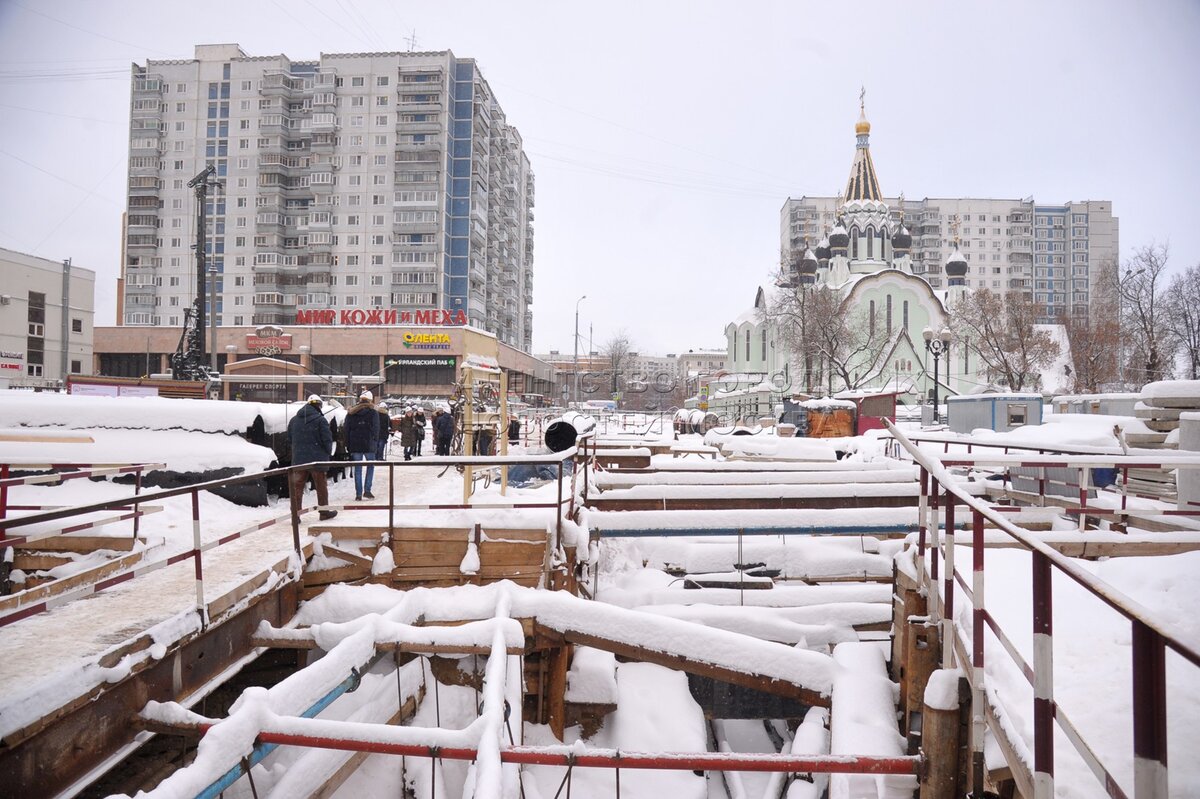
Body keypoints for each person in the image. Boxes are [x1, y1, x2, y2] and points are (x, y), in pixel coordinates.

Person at [287, 394, 337, 523]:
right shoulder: (321, 420)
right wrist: (327, 452)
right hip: (317, 459)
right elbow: (327, 439)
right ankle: (324, 512)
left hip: (299, 459)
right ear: (319, 405)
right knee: (321, 486)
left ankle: (295, 515)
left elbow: (290, 439)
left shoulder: (294, 420)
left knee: (297, 487)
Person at [344, 390, 380, 501]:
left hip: (355, 444)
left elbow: (346, 429)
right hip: (369, 443)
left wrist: (348, 443)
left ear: (360, 400)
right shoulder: (373, 413)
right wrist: (375, 441)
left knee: (358, 469)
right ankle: (367, 491)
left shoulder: (351, 413)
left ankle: (358, 493)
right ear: (370, 400)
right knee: (370, 467)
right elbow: (376, 429)